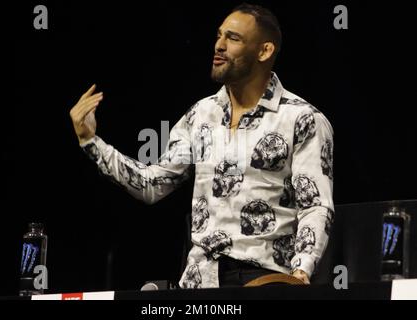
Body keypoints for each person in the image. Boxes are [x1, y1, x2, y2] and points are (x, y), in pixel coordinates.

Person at [69, 3, 334, 288]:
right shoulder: (201, 115)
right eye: (219, 36)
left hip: (264, 280)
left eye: (233, 38)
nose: (219, 45)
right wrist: (90, 141)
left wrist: (300, 273)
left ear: (264, 51)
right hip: (199, 281)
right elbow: (152, 184)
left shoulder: (301, 118)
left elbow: (315, 205)